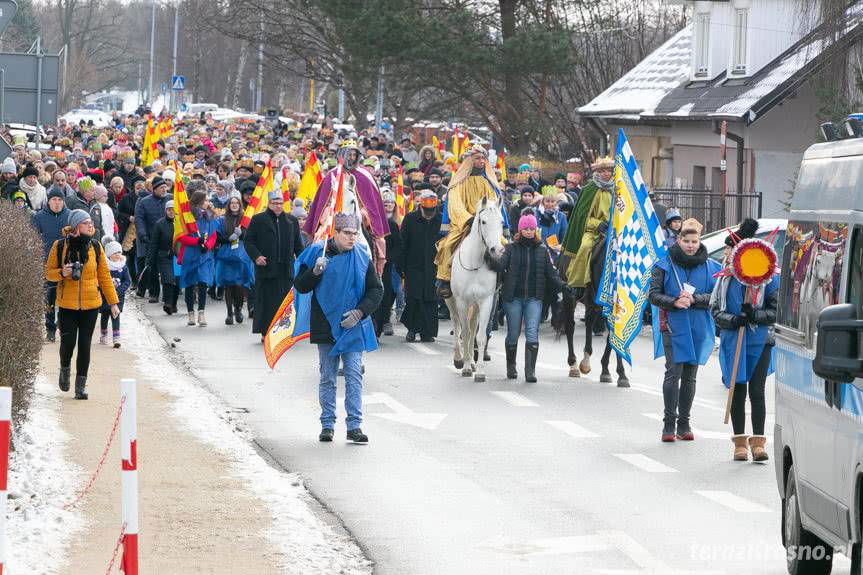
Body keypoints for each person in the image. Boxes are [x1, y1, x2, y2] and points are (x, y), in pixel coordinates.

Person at [294, 213, 383, 444]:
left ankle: (354, 426)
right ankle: (327, 424)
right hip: (325, 323)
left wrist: (360, 312)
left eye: (355, 233)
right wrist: (314, 272)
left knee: (353, 374)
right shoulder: (318, 252)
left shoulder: (362, 256)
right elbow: (300, 286)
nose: (352, 238)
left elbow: (376, 290)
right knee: (328, 376)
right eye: (347, 233)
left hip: (352, 325)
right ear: (335, 233)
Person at [711, 218, 778, 463]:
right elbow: (715, 311)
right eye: (727, 250)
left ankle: (758, 442)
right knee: (737, 390)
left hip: (761, 340)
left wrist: (754, 315)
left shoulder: (769, 279)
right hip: (734, 340)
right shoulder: (725, 279)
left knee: (757, 390)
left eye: (730, 249)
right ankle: (740, 442)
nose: (726, 254)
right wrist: (734, 319)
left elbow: (776, 312)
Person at [648, 218, 720, 442]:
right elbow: (653, 295)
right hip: (673, 324)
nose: (690, 245)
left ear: (699, 241)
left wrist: (695, 298)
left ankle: (684, 423)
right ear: (679, 240)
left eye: (694, 241)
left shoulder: (711, 267)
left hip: (698, 325)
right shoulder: (664, 264)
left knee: (690, 376)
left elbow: (716, 296)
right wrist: (674, 302)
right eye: (686, 241)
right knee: (673, 372)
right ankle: (668, 424)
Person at [45, 209, 119, 400]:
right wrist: (62, 273)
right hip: (67, 305)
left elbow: (104, 276)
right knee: (68, 344)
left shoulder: (95, 246)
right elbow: (48, 273)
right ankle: (64, 369)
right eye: (86, 223)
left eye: (90, 222)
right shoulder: (60, 245)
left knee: (85, 346)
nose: (90, 225)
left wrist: (113, 303)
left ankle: (80, 387)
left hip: (91, 305)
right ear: (76, 226)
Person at [491, 213, 569, 382]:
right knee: (513, 333)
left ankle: (530, 371)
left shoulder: (542, 250)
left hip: (534, 298)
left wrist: (563, 285)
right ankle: (511, 366)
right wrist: (490, 259)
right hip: (513, 298)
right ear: (520, 230)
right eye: (525, 228)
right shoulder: (511, 248)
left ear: (535, 230)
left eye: (532, 228)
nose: (528, 231)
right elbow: (500, 266)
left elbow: (551, 273)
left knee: (532, 332)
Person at [434, 145, 503, 298]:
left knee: (504, 245)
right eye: (477, 158)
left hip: (486, 224)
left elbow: (494, 203)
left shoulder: (489, 183)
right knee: (447, 245)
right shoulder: (458, 183)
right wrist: (468, 219)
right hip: (465, 224)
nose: (481, 161)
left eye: (483, 158)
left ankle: (504, 278)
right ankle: (445, 280)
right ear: (469, 161)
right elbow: (455, 204)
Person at [244, 191, 305, 339]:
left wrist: (304, 261)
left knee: (284, 303)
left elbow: (298, 245)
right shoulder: (258, 219)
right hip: (266, 269)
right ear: (269, 203)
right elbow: (249, 241)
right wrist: (257, 256)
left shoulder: (291, 221)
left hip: (285, 270)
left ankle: (283, 332)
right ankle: (266, 332)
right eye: (275, 203)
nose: (278, 206)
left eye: (280, 203)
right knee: (267, 302)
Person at [561, 156, 614, 291]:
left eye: (608, 170)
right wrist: (598, 224)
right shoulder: (589, 189)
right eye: (602, 171)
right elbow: (582, 217)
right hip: (594, 230)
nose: (606, 173)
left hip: (615, 229)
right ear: (597, 172)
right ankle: (577, 284)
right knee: (585, 247)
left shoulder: (618, 189)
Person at [400, 190, 442, 342]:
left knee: (431, 299)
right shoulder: (410, 219)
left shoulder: (441, 220)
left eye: (432, 211)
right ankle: (412, 329)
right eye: (426, 211)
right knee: (414, 298)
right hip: (413, 265)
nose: (429, 214)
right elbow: (403, 243)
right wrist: (401, 267)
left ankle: (427, 332)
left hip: (434, 266)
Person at [31, 188, 70, 342]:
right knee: (50, 297)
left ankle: (62, 323)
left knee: (66, 296)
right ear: (48, 201)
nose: (57, 203)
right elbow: (33, 239)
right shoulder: (39, 217)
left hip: (67, 263)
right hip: (48, 263)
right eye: (54, 199)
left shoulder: (70, 215)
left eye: (60, 200)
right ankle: (50, 329)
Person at [175, 189, 218, 326]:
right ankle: (190, 313)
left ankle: (201, 313)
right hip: (190, 254)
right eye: (205, 200)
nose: (208, 202)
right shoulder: (187, 217)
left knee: (203, 282)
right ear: (199, 201)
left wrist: (208, 245)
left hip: (205, 255)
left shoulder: (209, 216)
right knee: (190, 284)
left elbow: (213, 235)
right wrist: (196, 241)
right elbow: (181, 237)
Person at [215, 194, 255, 325]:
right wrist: (229, 238)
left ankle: (238, 309)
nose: (234, 205)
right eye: (232, 203)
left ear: (240, 205)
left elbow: (251, 236)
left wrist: (241, 234)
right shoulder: (222, 220)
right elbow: (217, 237)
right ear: (228, 205)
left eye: (236, 203)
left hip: (241, 256)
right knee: (228, 285)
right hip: (226, 255)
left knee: (239, 285)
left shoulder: (245, 219)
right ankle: (229, 313)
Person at [135, 176, 171, 302]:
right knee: (152, 267)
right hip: (151, 239)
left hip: (168, 238)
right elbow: (139, 219)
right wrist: (142, 234)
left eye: (165, 187)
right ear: (154, 189)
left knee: (167, 268)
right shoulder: (144, 202)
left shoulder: (171, 199)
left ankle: (168, 294)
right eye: (161, 188)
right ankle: (154, 293)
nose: (164, 190)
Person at [374, 192, 402, 337]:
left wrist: (387, 259)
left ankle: (385, 320)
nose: (388, 206)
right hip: (372, 264)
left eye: (391, 203)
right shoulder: (372, 223)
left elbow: (398, 246)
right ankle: (376, 326)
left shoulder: (392, 224)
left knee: (388, 293)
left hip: (387, 266)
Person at [148, 200, 179, 315]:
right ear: (165, 211)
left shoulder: (180, 223)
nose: (171, 212)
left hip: (178, 256)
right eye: (169, 210)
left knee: (177, 280)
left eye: (173, 210)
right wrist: (150, 258)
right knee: (168, 279)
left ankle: (174, 303)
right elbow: (154, 243)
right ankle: (168, 303)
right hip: (164, 255)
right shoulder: (160, 224)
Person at [98, 236, 131, 348]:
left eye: (119, 252)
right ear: (109, 254)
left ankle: (116, 337)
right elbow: (101, 280)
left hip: (119, 296)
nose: (117, 255)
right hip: (105, 296)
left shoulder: (123, 266)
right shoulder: (105, 266)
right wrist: (104, 291)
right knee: (105, 315)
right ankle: (103, 334)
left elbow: (127, 281)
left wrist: (118, 291)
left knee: (115, 315)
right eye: (115, 253)